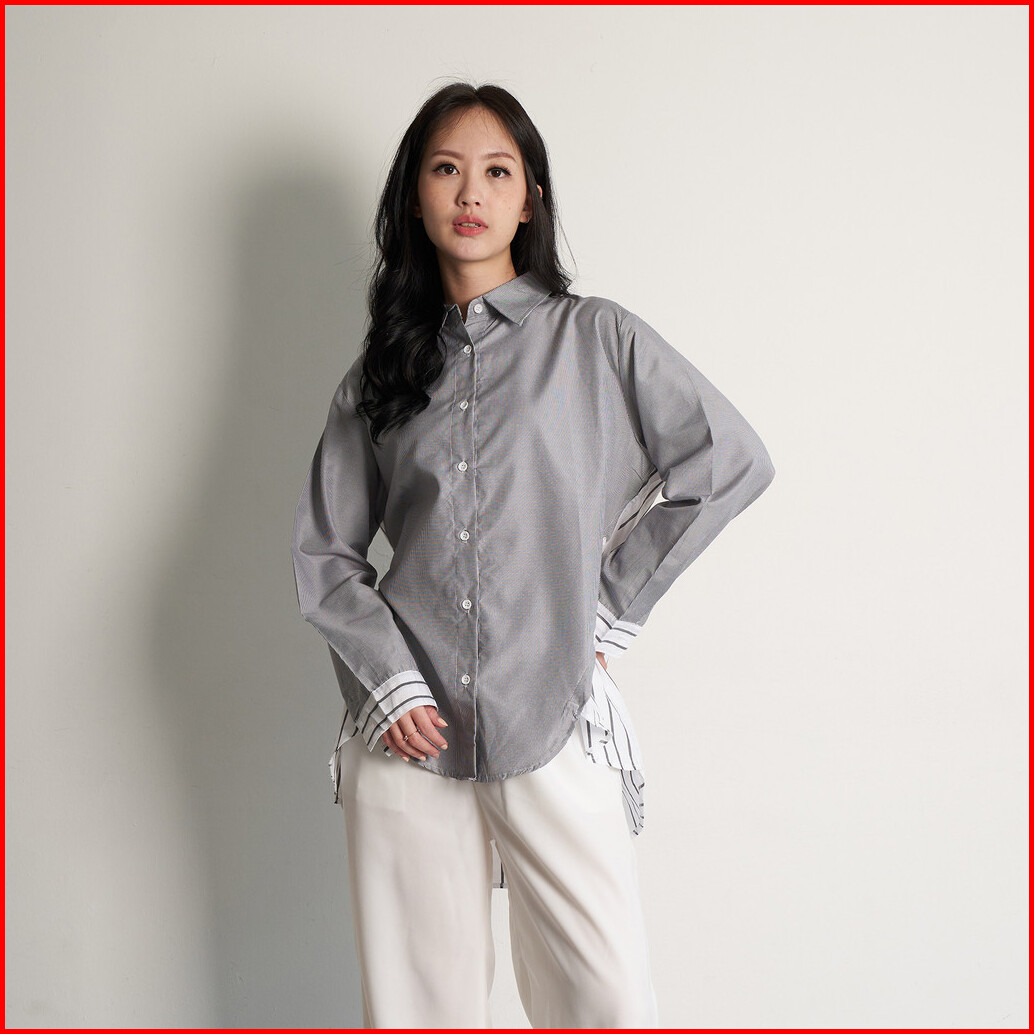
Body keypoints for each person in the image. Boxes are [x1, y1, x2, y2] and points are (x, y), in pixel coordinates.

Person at [291, 80, 775, 1029]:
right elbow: (326, 553)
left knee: (605, 1001)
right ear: (416, 197)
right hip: (408, 732)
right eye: (446, 169)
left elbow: (727, 461)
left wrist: (606, 610)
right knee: (418, 1011)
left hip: (553, 711)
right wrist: (388, 681)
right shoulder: (383, 371)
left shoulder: (596, 338)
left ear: (530, 199)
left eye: (497, 171)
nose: (471, 192)